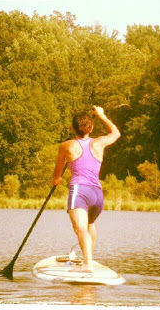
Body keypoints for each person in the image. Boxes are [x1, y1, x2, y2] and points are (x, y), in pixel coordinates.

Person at [52, 106, 121, 272]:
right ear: (91, 128)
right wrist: (102, 115)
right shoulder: (99, 143)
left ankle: (87, 264)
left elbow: (57, 173)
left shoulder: (66, 146)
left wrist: (56, 180)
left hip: (80, 192)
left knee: (80, 228)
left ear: (72, 128)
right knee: (90, 224)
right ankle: (88, 259)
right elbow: (116, 133)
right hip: (97, 194)